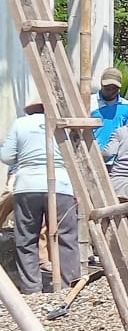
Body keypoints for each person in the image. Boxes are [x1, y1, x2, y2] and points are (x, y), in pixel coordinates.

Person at [0, 96, 80, 293]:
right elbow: (76, 154)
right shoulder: (63, 125)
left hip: (27, 185)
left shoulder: (20, 124)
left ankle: (31, 288)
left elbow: (7, 156)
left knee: (26, 237)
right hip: (61, 186)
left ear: (31, 109)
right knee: (66, 236)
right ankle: (68, 285)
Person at [90, 67, 128, 149]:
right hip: (93, 154)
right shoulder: (90, 103)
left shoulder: (126, 106)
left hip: (117, 157)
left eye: (114, 88)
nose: (110, 91)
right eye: (107, 87)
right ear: (101, 85)